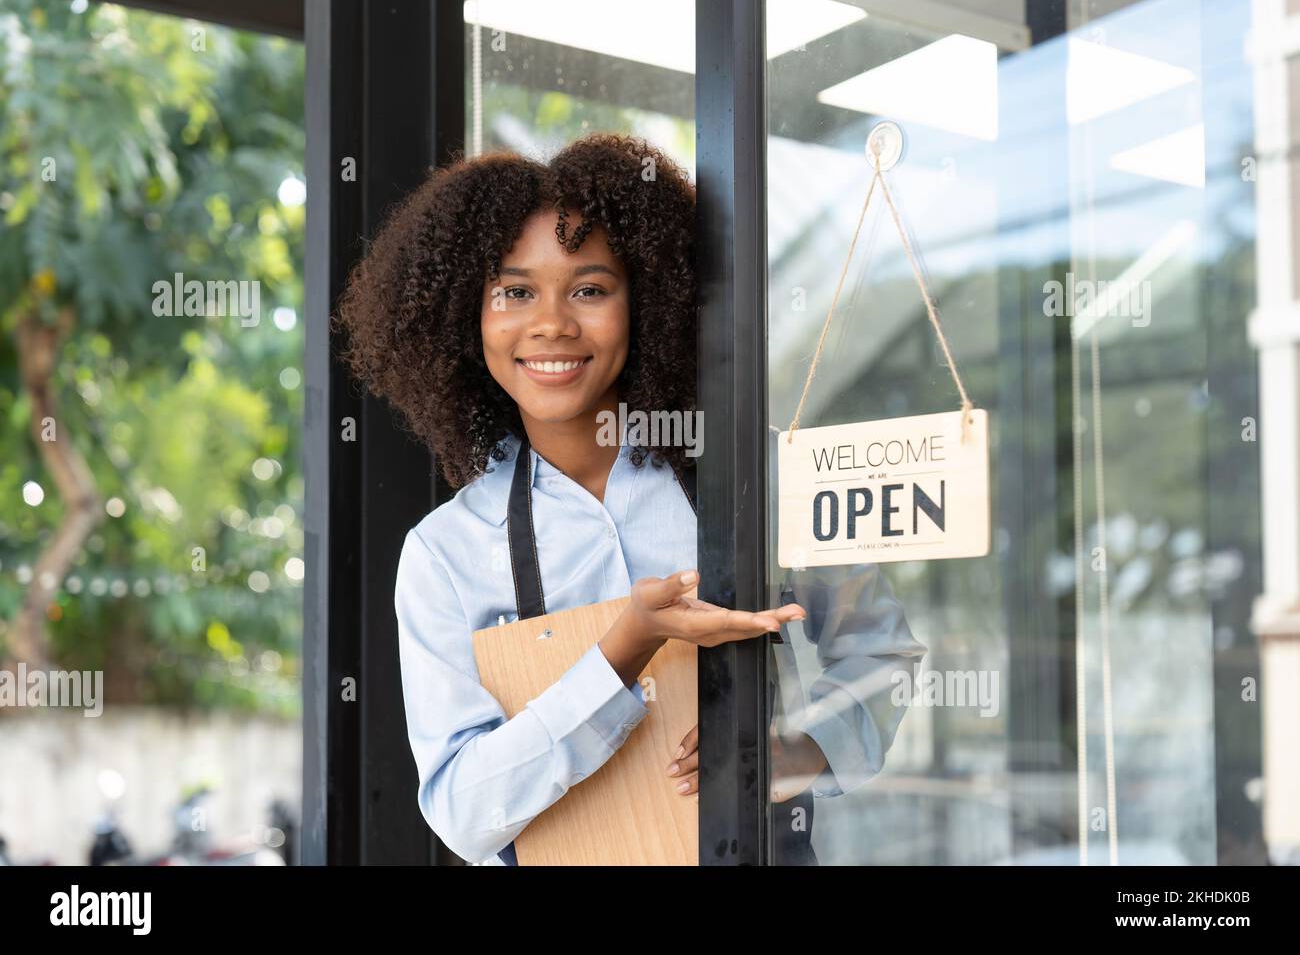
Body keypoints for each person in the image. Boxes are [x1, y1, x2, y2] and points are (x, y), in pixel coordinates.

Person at [335, 133, 923, 865]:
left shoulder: (755, 478)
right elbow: (462, 810)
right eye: (514, 291)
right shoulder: (446, 553)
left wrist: (794, 752)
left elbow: (884, 649)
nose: (552, 323)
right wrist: (626, 645)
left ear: (648, 301)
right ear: (466, 318)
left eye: (589, 288)